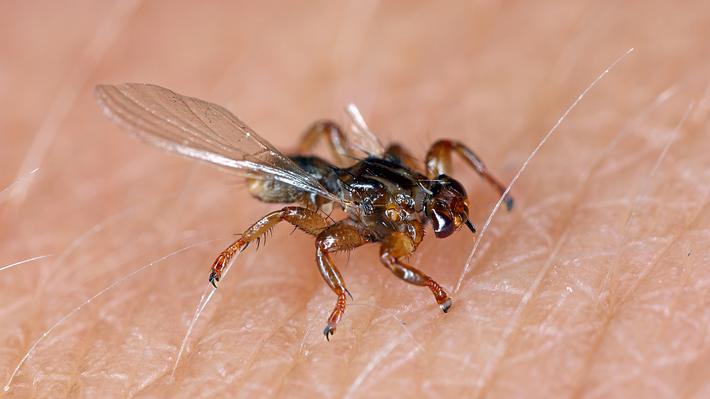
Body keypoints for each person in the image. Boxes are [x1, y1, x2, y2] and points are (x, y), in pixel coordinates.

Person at [1, 1, 708, 397]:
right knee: (294, 217)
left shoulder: (424, 180)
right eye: (442, 209)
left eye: (447, 201)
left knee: (338, 142)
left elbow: (440, 150)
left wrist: (486, 183)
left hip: (343, 168)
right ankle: (251, 251)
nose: (447, 213)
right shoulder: (385, 229)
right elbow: (358, 248)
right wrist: (430, 284)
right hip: (311, 185)